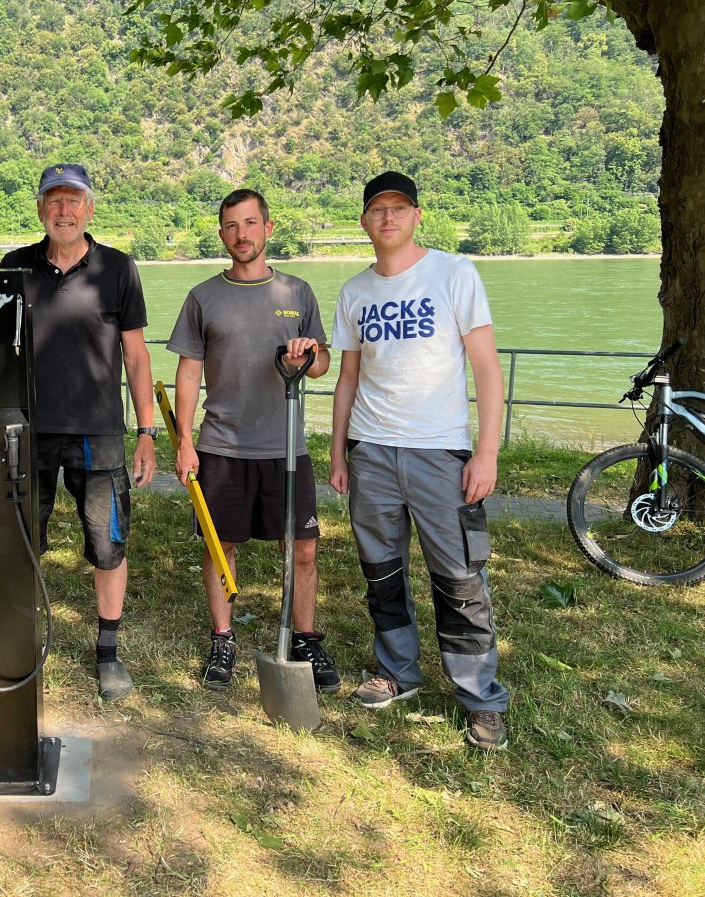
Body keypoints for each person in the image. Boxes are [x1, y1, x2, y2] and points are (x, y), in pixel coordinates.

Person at [329, 170, 510, 751]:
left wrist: (486, 451)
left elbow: (486, 367)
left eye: (399, 207)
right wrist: (339, 451)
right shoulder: (354, 292)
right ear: (364, 220)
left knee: (459, 578)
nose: (388, 217)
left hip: (440, 453)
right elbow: (348, 378)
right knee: (382, 573)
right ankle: (398, 672)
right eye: (377, 209)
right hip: (371, 452)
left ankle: (480, 698)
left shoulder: (454, 274)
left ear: (416, 215)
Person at [166, 189, 339, 692]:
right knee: (221, 547)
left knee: (302, 549)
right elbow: (187, 373)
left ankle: (304, 638)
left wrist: (306, 357)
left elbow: (323, 364)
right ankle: (223, 638)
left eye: (249, 223)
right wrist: (184, 441)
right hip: (222, 447)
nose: (241, 234)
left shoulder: (297, 292)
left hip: (287, 448)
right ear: (222, 233)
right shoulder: (203, 297)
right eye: (231, 225)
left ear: (267, 227)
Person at [0, 163, 156, 701]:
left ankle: (107, 651)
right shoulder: (14, 266)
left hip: (99, 432)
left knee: (108, 545)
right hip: (27, 430)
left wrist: (147, 430)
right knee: (21, 542)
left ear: (89, 208)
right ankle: (18, 644)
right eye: (54, 200)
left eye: (73, 200)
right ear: (40, 207)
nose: (63, 211)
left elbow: (136, 357)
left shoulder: (118, 268)